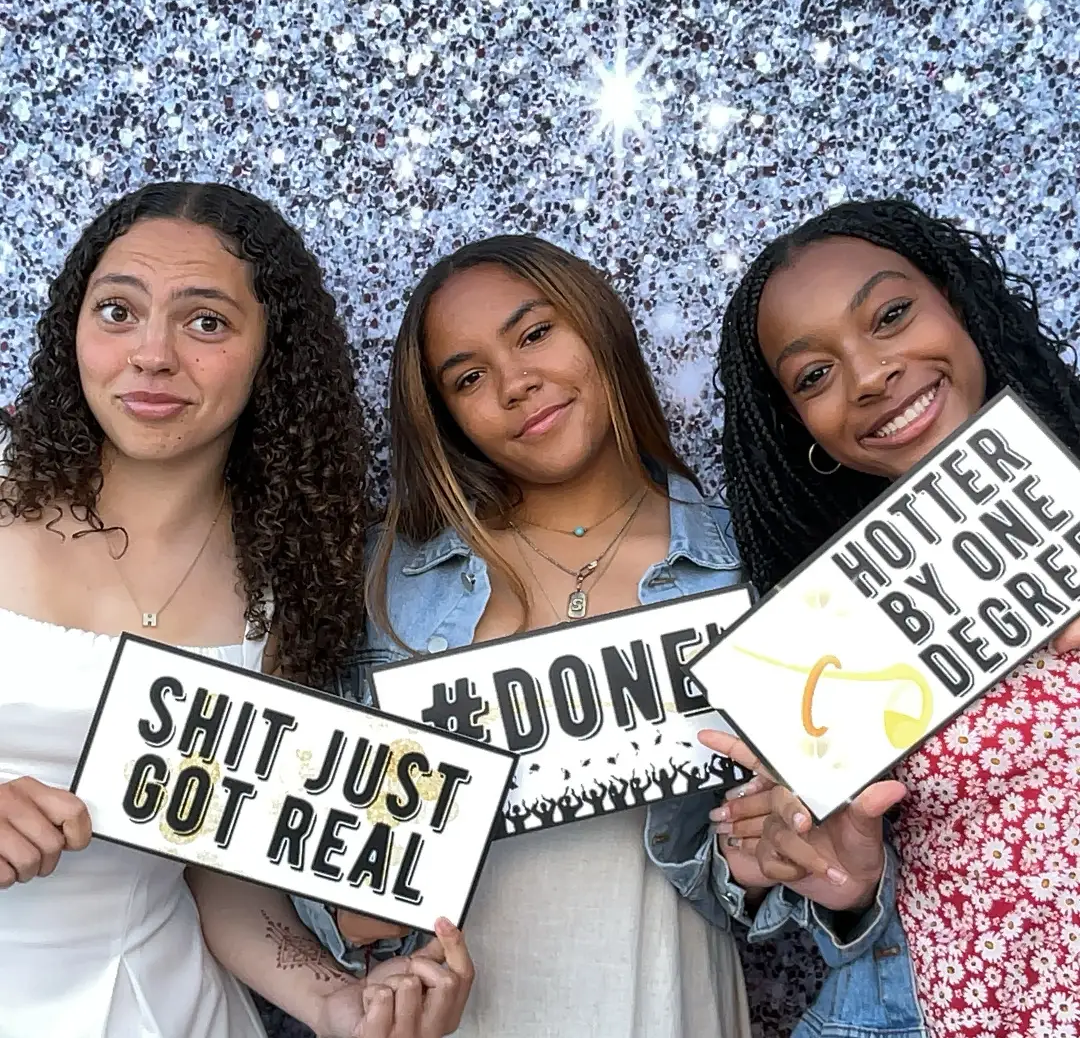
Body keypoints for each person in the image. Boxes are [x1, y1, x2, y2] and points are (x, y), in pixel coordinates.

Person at [0, 181, 472, 1038]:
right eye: (117, 311)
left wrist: (333, 997)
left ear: (272, 354)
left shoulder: (290, 578)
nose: (151, 354)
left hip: (157, 1009)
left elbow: (219, 863)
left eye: (205, 321)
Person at [296, 234, 753, 1037]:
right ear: (448, 418)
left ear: (598, 325)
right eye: (469, 377)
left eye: (536, 333)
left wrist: (774, 861)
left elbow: (779, 876)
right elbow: (303, 854)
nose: (516, 384)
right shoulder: (379, 583)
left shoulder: (744, 568)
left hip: (672, 1005)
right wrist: (341, 897)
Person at [702, 197, 1080, 1037]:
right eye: (814, 375)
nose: (869, 374)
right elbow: (848, 892)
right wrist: (848, 888)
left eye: (892, 315)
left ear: (960, 305)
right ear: (800, 426)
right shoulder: (825, 636)